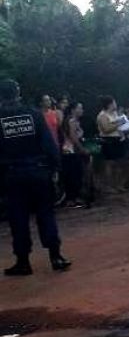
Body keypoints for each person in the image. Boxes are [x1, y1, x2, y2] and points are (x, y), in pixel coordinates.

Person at [0, 80, 71, 276]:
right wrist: (56, 167)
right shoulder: (33, 114)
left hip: (13, 174)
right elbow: (49, 144)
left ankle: (23, 262)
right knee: (46, 213)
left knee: (18, 218)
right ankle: (56, 257)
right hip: (39, 172)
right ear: (18, 93)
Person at [97, 95, 128, 193]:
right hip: (108, 141)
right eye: (114, 102)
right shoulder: (102, 115)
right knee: (109, 163)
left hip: (118, 139)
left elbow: (119, 126)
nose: (116, 104)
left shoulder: (114, 114)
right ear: (109, 104)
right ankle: (108, 186)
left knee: (119, 163)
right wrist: (119, 123)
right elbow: (106, 129)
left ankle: (118, 184)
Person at [61, 102, 89, 208]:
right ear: (73, 110)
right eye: (80, 108)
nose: (82, 110)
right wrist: (81, 149)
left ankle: (72, 198)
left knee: (73, 175)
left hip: (69, 151)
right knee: (74, 175)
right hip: (71, 151)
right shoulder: (71, 121)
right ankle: (72, 199)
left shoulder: (71, 120)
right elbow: (73, 137)